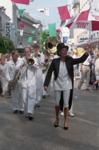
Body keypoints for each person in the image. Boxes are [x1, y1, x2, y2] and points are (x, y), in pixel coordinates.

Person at [44, 43, 89, 130]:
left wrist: (87, 52)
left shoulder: (70, 60)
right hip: (57, 83)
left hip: (67, 84)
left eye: (65, 50)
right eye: (63, 50)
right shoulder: (55, 61)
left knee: (66, 103)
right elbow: (49, 72)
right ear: (59, 52)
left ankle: (65, 121)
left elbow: (80, 60)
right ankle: (57, 119)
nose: (65, 52)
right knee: (57, 103)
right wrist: (46, 84)